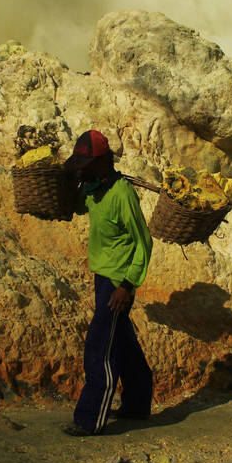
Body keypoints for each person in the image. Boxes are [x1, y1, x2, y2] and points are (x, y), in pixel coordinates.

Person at [61, 130, 154, 436]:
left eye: (88, 163)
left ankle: (90, 419)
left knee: (100, 348)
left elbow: (144, 243)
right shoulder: (94, 188)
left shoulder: (122, 194)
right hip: (103, 275)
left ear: (104, 161)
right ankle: (138, 404)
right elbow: (78, 205)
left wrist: (127, 286)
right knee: (122, 342)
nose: (83, 168)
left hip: (118, 282)